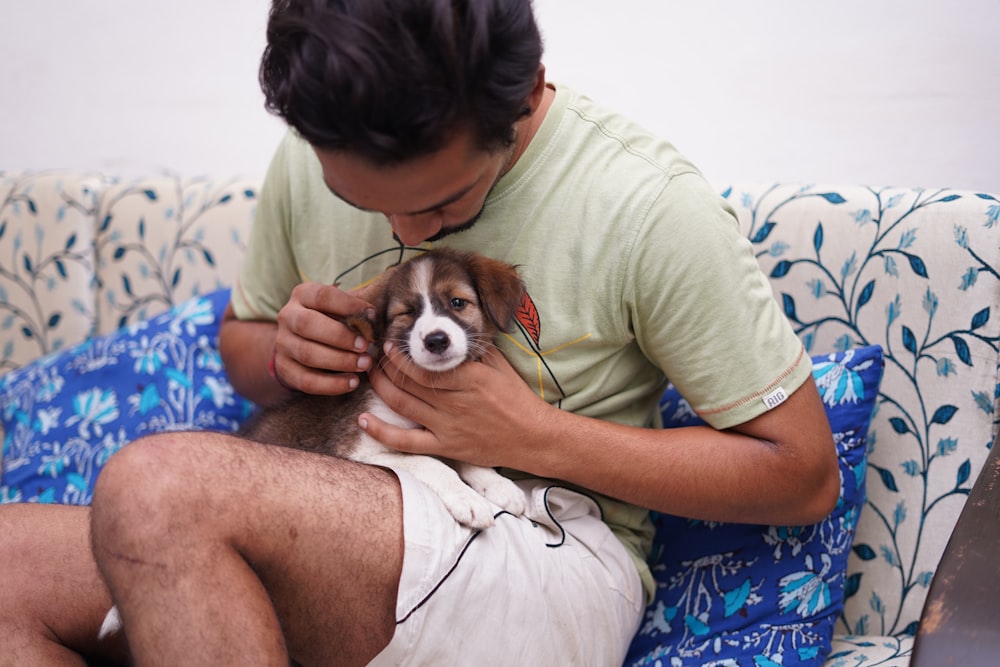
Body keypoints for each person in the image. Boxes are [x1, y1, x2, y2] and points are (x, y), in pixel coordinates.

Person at [0, 0, 840, 664]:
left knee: (156, 486)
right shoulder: (312, 152)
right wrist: (284, 351)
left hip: (540, 545)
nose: (405, 230)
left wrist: (535, 434)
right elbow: (243, 347)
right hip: (337, 491)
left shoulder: (649, 206)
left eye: (444, 205)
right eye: (364, 202)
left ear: (525, 92)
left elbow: (802, 476)